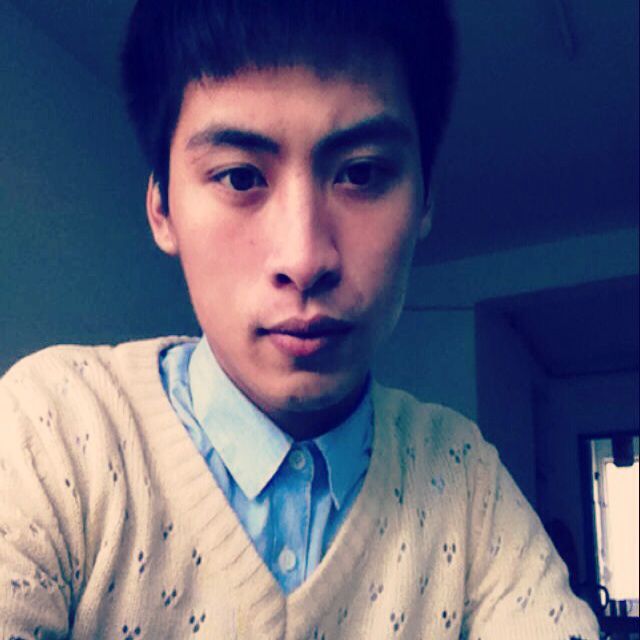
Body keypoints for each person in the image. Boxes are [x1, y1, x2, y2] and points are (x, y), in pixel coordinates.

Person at [0, 1, 599, 638]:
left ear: (426, 199)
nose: (305, 259)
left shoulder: (466, 480)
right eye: (240, 177)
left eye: (361, 173)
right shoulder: (52, 430)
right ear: (162, 209)